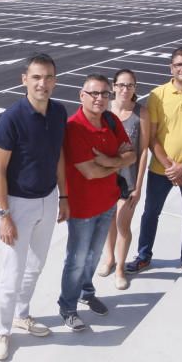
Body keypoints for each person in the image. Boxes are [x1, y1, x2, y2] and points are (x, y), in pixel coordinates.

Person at [0, 53, 69, 361]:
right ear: (24, 79)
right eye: (36, 77)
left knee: (35, 265)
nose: (42, 83)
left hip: (48, 200)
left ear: (55, 81)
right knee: (12, 272)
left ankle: (22, 314)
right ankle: (1, 330)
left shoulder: (59, 113)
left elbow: (59, 155)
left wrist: (62, 197)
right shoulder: (12, 117)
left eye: (48, 77)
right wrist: (4, 214)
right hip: (18, 205)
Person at [125, 47, 182, 273]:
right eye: (178, 65)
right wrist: (170, 167)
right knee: (150, 213)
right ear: (171, 68)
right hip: (161, 169)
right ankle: (144, 256)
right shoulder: (158, 95)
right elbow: (152, 136)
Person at [58, 74, 135, 331]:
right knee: (77, 259)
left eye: (104, 94)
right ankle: (67, 306)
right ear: (82, 95)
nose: (100, 98)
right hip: (82, 208)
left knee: (93, 257)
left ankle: (86, 292)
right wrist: (116, 163)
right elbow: (89, 172)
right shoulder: (74, 128)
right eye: (94, 93)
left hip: (108, 202)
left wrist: (110, 162)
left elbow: (131, 154)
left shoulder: (111, 120)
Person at [97, 69, 149, 290]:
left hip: (128, 180)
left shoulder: (141, 113)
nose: (125, 90)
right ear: (113, 86)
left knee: (122, 225)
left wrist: (138, 186)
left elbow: (144, 150)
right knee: (108, 222)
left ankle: (120, 267)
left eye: (129, 86)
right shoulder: (104, 110)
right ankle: (109, 258)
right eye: (121, 85)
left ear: (135, 88)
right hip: (105, 178)